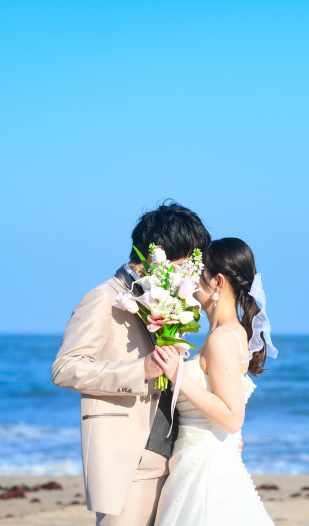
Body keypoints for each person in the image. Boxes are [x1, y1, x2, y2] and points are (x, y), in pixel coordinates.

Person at [51, 201, 210, 526]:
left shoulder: (169, 297)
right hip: (128, 459)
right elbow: (65, 368)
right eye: (188, 261)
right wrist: (141, 371)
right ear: (159, 254)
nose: (193, 273)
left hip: (171, 455)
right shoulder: (102, 298)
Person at [151, 237, 278, 526]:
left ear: (218, 282)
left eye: (199, 274)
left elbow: (233, 418)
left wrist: (177, 376)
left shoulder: (222, 338)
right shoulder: (228, 332)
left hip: (205, 467)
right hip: (202, 457)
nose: (192, 281)